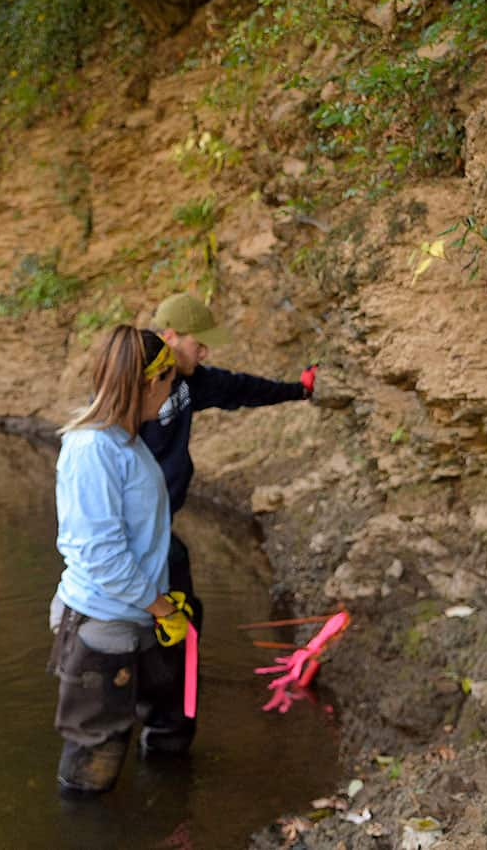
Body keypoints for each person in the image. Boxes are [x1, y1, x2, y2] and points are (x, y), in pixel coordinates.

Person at [136, 292, 330, 754]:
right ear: (168, 337)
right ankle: (161, 730)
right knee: (157, 623)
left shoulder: (190, 383)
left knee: (186, 618)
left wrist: (298, 389)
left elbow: (242, 389)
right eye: (197, 343)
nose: (203, 352)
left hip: (163, 530)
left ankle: (172, 726)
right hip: (134, 536)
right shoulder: (133, 393)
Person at [48, 325, 191, 795]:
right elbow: (100, 555)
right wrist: (163, 608)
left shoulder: (127, 441)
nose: (170, 394)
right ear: (149, 383)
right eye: (168, 382)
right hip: (102, 624)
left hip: (134, 616)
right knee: (91, 769)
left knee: (139, 735)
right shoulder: (93, 449)